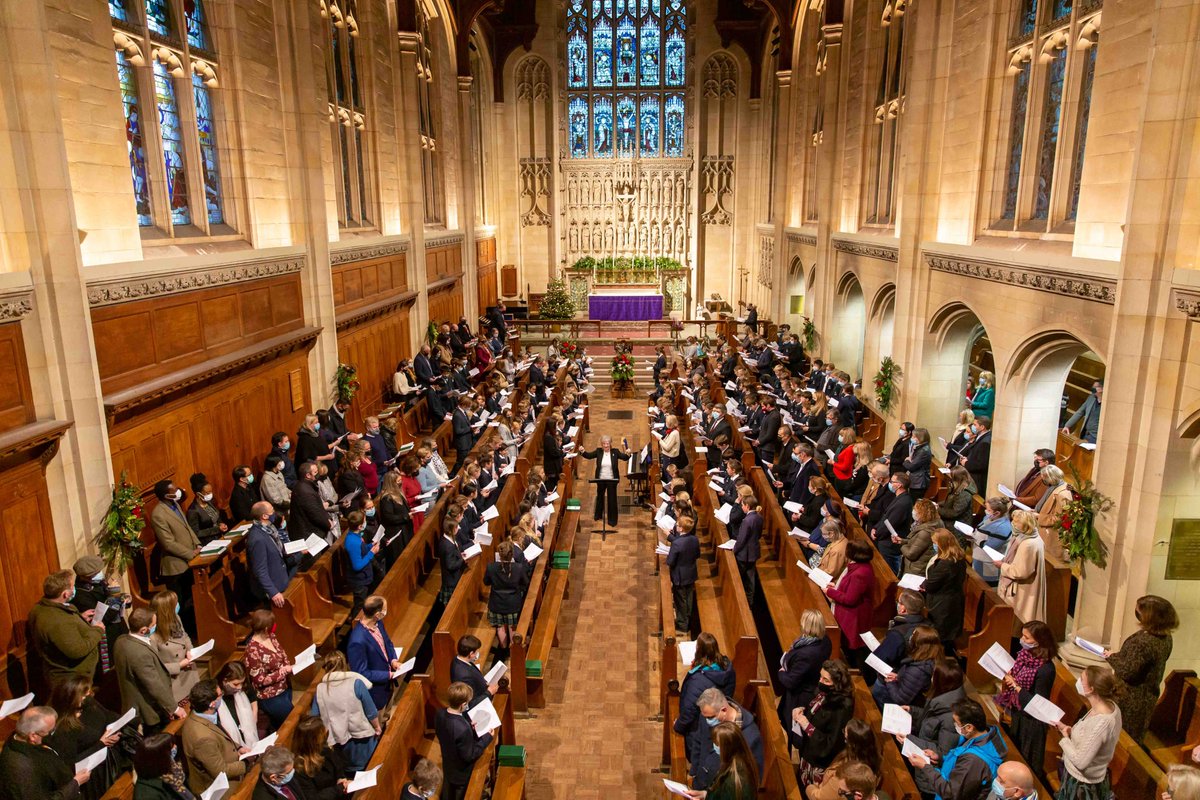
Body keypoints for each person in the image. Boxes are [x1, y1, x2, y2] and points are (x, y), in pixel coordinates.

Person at [1106, 594, 1178, 743]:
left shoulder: (1144, 642)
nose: (1136, 613)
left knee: (1123, 740)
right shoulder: (1164, 636)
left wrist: (1111, 657)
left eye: (1139, 611)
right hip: (1146, 696)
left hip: (1131, 698)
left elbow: (1128, 672)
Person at [906, 699, 1007, 800]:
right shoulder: (988, 736)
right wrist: (940, 758)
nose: (955, 726)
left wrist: (925, 767)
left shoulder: (973, 761)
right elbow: (961, 763)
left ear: (969, 727)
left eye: (957, 723)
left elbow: (950, 793)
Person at [996, 621, 1057, 780]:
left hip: (1032, 722)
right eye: (1022, 635)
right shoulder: (1025, 655)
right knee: (1016, 752)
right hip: (1019, 712)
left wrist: (1016, 686)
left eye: (1026, 637)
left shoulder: (1046, 669)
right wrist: (1013, 674)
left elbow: (1038, 702)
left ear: (1039, 641)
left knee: (1027, 762)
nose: (1022, 639)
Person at [27, 569, 104, 694]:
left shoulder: (41, 608)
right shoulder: (56, 621)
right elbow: (77, 650)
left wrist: (80, 617)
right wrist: (97, 631)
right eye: (73, 586)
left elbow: (65, 626)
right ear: (65, 594)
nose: (75, 589)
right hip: (71, 680)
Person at [45, 676, 121, 800]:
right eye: (84, 694)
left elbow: (108, 715)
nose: (89, 696)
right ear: (71, 699)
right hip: (95, 776)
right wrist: (101, 743)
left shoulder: (88, 703)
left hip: (110, 761)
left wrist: (117, 725)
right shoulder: (64, 729)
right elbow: (70, 764)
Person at [1054, 666, 1122, 800]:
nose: (1078, 681)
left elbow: (1081, 761)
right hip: (1081, 779)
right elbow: (1090, 739)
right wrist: (1071, 731)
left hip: (1082, 786)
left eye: (1082, 679)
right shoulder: (1107, 706)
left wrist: (1065, 738)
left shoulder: (1102, 722)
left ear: (1091, 689)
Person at [675, 633, 737, 778]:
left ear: (699, 651)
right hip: (719, 724)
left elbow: (689, 710)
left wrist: (678, 726)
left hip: (698, 728)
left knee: (699, 761)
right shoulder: (727, 668)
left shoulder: (698, 680)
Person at [113, 607, 184, 733]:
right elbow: (153, 685)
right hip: (148, 711)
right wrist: (174, 708)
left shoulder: (121, 640)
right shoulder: (139, 653)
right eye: (154, 625)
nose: (155, 626)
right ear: (144, 630)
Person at [0, 707, 92, 800]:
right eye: (50, 732)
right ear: (33, 736)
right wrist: (76, 783)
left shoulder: (16, 738)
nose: (51, 735)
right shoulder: (22, 770)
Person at [310, 651, 381, 773]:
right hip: (362, 737)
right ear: (344, 664)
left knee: (347, 769)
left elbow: (315, 717)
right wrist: (377, 727)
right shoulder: (356, 683)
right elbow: (371, 711)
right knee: (368, 767)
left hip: (338, 740)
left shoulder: (320, 689)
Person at [790, 660, 856, 788]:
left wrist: (806, 724)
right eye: (820, 676)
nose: (821, 681)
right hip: (807, 750)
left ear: (837, 684)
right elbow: (817, 709)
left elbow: (832, 743)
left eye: (826, 680)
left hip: (819, 763)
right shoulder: (826, 692)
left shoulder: (842, 707)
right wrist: (803, 710)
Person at [148, 479, 200, 637]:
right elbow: (168, 543)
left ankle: (196, 629)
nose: (178, 491)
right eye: (174, 489)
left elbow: (186, 528)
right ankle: (187, 633)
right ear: (166, 495)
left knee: (192, 599)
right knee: (182, 603)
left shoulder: (175, 505)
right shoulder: (158, 514)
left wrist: (197, 545)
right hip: (176, 566)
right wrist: (190, 553)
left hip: (191, 560)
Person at [777, 609, 833, 749]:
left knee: (795, 730)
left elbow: (791, 681)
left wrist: (782, 672)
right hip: (811, 684)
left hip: (801, 695)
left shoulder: (807, 654)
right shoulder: (825, 640)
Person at [180, 680, 246, 795]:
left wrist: (238, 748)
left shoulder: (203, 715)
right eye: (220, 695)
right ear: (212, 703)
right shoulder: (202, 738)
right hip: (220, 789)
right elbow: (221, 771)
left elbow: (220, 734)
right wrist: (247, 763)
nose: (222, 696)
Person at [693, 689, 764, 789]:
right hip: (701, 781)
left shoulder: (750, 736)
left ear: (724, 710)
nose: (707, 721)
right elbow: (698, 742)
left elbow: (754, 777)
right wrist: (694, 772)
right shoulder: (707, 713)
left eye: (710, 717)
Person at [435, 682, 494, 800]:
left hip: (448, 765)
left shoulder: (439, 714)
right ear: (463, 704)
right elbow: (469, 756)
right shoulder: (462, 728)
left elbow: (448, 734)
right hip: (461, 774)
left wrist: (468, 727)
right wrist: (487, 738)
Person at [824, 540, 876, 663]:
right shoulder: (860, 567)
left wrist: (829, 592)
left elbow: (850, 599)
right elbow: (849, 587)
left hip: (854, 616)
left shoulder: (860, 573)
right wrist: (835, 586)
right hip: (851, 614)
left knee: (854, 647)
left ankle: (858, 672)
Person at [347, 595, 402, 712]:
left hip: (388, 685)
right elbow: (361, 673)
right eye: (385, 609)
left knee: (387, 716)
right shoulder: (357, 641)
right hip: (375, 692)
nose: (386, 611)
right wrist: (388, 675)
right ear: (377, 614)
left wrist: (393, 660)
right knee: (379, 724)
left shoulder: (378, 623)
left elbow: (387, 642)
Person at [243, 609, 293, 731]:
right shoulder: (252, 651)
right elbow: (259, 680)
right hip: (271, 696)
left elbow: (282, 654)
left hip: (285, 687)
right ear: (265, 628)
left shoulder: (271, 636)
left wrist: (286, 665)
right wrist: (281, 673)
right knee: (290, 723)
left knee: (287, 722)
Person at [996, 510, 1047, 628]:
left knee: (1019, 621)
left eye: (1016, 523)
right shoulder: (1033, 536)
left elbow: (1021, 572)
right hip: (1024, 586)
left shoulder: (1027, 544)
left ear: (1025, 525)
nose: (1013, 525)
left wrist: (1002, 565)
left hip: (1022, 589)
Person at [683, 721, 758, 800]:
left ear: (727, 748)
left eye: (717, 744)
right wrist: (705, 795)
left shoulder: (734, 780)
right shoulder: (737, 763)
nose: (714, 746)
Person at [907, 659, 968, 755]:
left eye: (934, 675)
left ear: (941, 681)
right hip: (919, 748)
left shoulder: (952, 718)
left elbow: (943, 752)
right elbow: (931, 719)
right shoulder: (941, 698)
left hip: (926, 761)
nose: (931, 677)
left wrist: (910, 739)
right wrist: (912, 711)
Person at [148, 590, 199, 704]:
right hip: (175, 682)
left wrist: (190, 650)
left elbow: (184, 636)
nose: (178, 605)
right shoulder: (152, 636)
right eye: (175, 604)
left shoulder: (176, 618)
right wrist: (180, 665)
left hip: (189, 674)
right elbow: (156, 667)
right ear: (166, 610)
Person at [871, 625, 941, 707]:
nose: (910, 637)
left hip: (904, 704)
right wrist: (898, 677)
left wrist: (891, 682)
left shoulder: (918, 670)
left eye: (913, 635)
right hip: (905, 690)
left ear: (918, 643)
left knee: (879, 688)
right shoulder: (928, 659)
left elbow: (900, 699)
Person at [924, 529, 968, 654]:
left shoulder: (945, 563)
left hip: (942, 605)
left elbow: (931, 585)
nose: (933, 545)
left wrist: (924, 584)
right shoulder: (958, 556)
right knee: (946, 637)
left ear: (941, 544)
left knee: (941, 638)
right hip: (953, 601)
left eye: (934, 542)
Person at [485, 542, 529, 658]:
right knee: (512, 627)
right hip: (512, 603)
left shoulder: (491, 567)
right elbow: (525, 583)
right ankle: (513, 651)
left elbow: (486, 582)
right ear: (512, 554)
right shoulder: (518, 567)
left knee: (500, 627)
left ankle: (503, 650)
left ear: (499, 555)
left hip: (496, 603)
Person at [245, 501, 293, 608]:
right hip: (272, 589)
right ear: (265, 516)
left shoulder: (269, 528)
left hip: (280, 579)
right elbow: (260, 570)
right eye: (272, 510)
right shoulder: (257, 539)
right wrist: (273, 592)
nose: (274, 512)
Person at [291, 715, 350, 799]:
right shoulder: (300, 768)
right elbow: (313, 798)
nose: (326, 730)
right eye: (322, 731)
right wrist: (339, 788)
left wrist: (341, 778)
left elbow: (338, 768)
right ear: (314, 740)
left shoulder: (325, 749)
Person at [580, 435, 631, 526]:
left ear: (610, 444)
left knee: (612, 499)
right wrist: (582, 451)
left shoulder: (615, 452)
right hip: (601, 479)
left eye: (607, 444)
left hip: (612, 479)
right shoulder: (598, 451)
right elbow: (589, 455)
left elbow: (624, 457)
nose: (606, 446)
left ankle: (612, 520)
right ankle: (598, 515)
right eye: (604, 444)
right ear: (601, 444)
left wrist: (628, 454)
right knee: (600, 496)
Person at [873, 472, 913, 575]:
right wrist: (875, 527)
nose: (890, 483)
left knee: (888, 573)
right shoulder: (899, 497)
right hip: (886, 542)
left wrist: (877, 534)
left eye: (892, 482)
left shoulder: (903, 502)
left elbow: (891, 523)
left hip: (890, 545)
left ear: (899, 485)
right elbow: (885, 516)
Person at [130, 732, 192, 800]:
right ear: (161, 758)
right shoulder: (147, 795)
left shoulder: (171, 767)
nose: (175, 747)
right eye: (171, 748)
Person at [667, 514, 701, 636]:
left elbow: (670, 561)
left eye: (677, 525)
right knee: (689, 597)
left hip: (679, 576)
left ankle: (682, 624)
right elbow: (697, 555)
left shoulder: (677, 543)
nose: (676, 526)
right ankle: (688, 619)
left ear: (681, 528)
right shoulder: (695, 539)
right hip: (690, 573)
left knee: (680, 599)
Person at [341, 510, 379, 620]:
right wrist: (372, 553)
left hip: (363, 578)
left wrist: (370, 546)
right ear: (360, 526)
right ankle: (356, 628)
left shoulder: (355, 536)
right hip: (359, 581)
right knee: (359, 607)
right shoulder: (353, 541)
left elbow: (360, 550)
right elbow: (357, 565)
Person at [215, 661, 259, 751]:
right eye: (235, 684)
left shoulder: (242, 687)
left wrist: (254, 715)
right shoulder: (215, 694)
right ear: (224, 681)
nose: (239, 687)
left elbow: (252, 697)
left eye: (241, 683)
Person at [289, 461, 333, 544]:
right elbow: (315, 513)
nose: (318, 473)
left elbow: (318, 507)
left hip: (308, 531)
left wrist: (327, 518)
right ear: (308, 475)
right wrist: (328, 524)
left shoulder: (305, 486)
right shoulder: (305, 492)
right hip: (308, 535)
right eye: (315, 472)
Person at [450, 634, 498, 709]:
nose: (477, 653)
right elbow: (470, 704)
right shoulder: (463, 676)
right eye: (476, 651)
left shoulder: (458, 659)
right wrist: (489, 693)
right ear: (471, 653)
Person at [974, 497, 1013, 585]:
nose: (986, 512)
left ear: (997, 513)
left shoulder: (1003, 527)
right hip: (979, 560)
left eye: (988, 510)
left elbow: (989, 547)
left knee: (984, 589)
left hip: (989, 565)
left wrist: (975, 538)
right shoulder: (990, 518)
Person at [732, 494, 762, 605]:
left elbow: (741, 539)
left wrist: (734, 550)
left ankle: (743, 602)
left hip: (744, 554)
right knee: (750, 578)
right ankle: (750, 601)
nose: (741, 507)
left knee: (742, 578)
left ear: (748, 506)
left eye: (742, 505)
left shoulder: (747, 521)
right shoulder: (759, 517)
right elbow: (758, 535)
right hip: (753, 552)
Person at [901, 499, 941, 577]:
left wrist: (902, 546)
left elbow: (911, 554)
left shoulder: (925, 532)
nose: (913, 512)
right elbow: (917, 543)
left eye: (915, 510)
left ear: (922, 513)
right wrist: (902, 541)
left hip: (916, 570)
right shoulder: (931, 524)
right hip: (917, 568)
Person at [186, 478, 227, 544]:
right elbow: (196, 533)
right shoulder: (192, 511)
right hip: (208, 542)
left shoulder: (209, 502)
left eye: (211, 491)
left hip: (219, 537)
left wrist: (221, 523)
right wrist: (217, 529)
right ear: (198, 494)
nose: (210, 494)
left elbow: (216, 517)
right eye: (207, 493)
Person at [939, 466, 978, 532]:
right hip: (950, 523)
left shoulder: (965, 493)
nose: (950, 479)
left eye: (952, 478)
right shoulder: (958, 487)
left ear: (958, 479)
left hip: (957, 528)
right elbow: (951, 501)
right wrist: (938, 504)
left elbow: (954, 512)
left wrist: (938, 510)